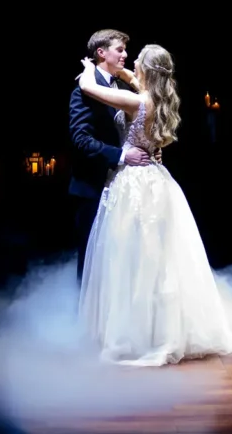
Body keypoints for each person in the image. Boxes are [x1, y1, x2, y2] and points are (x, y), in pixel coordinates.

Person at [75, 44, 232, 366]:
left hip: (135, 183)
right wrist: (123, 71)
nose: (130, 61)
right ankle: (157, 327)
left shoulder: (137, 101)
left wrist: (87, 66)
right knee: (158, 258)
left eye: (136, 60)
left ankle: (140, 333)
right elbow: (134, 79)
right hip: (157, 181)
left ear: (147, 71)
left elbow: (88, 88)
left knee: (132, 257)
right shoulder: (159, 99)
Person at [68, 29, 158, 285]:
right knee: (91, 263)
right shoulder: (83, 90)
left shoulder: (118, 86)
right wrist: (122, 155)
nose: (125, 55)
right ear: (101, 52)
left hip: (123, 186)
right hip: (93, 187)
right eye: (119, 49)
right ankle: (84, 322)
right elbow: (81, 140)